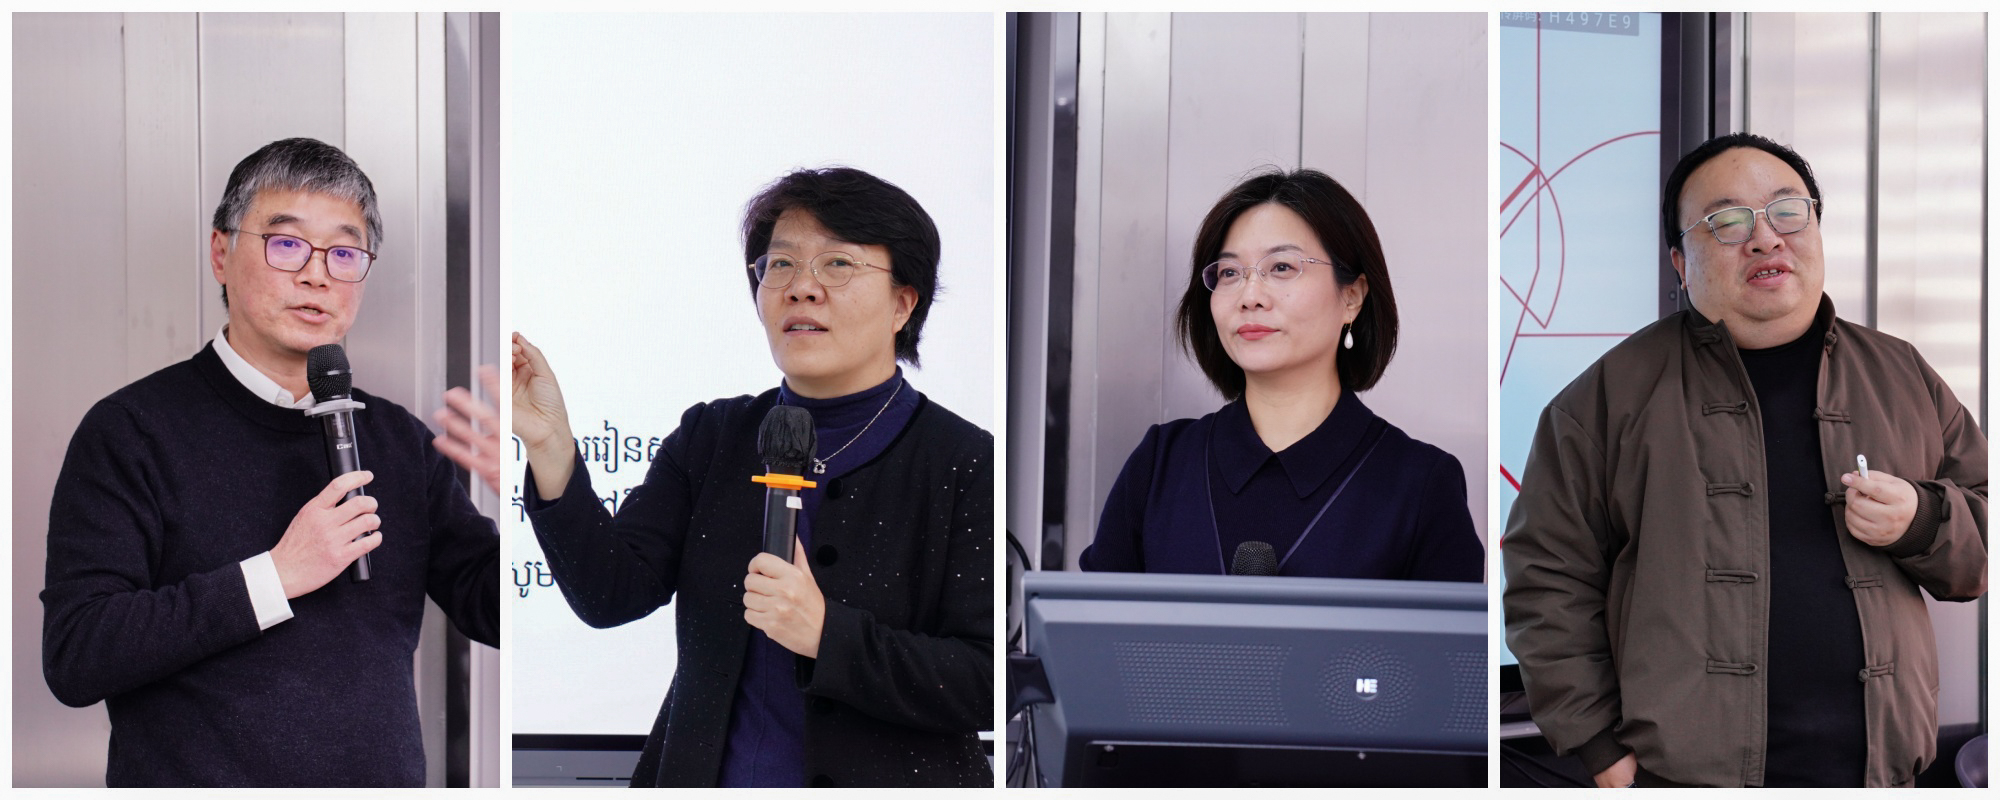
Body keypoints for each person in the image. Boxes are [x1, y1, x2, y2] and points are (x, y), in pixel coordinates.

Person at [1502, 133, 1987, 788]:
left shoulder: (1900, 374)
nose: (1764, 238)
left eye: (1788, 211)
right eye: (1727, 222)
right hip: (1683, 777)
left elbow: (1983, 539)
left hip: (1881, 772)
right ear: (1680, 262)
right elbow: (1547, 579)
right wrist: (1598, 747)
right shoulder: (1604, 399)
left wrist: (1923, 521)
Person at [40, 137, 502, 787]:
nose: (317, 275)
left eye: (344, 253)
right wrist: (276, 576)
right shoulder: (132, 431)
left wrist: (530, 494)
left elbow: (494, 612)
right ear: (221, 252)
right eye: (287, 244)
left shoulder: (399, 441)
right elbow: (78, 653)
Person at [512, 167, 993, 787]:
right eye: (781, 265)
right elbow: (611, 595)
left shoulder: (964, 460)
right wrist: (550, 445)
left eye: (838, 264)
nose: (802, 288)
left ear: (904, 303)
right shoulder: (713, 436)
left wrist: (828, 635)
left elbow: (986, 681)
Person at [1080, 168, 1482, 580]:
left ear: (1352, 297)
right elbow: (1091, 619)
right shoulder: (1160, 466)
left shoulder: (1419, 485)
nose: (1250, 296)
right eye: (1230, 273)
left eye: (1282, 267)